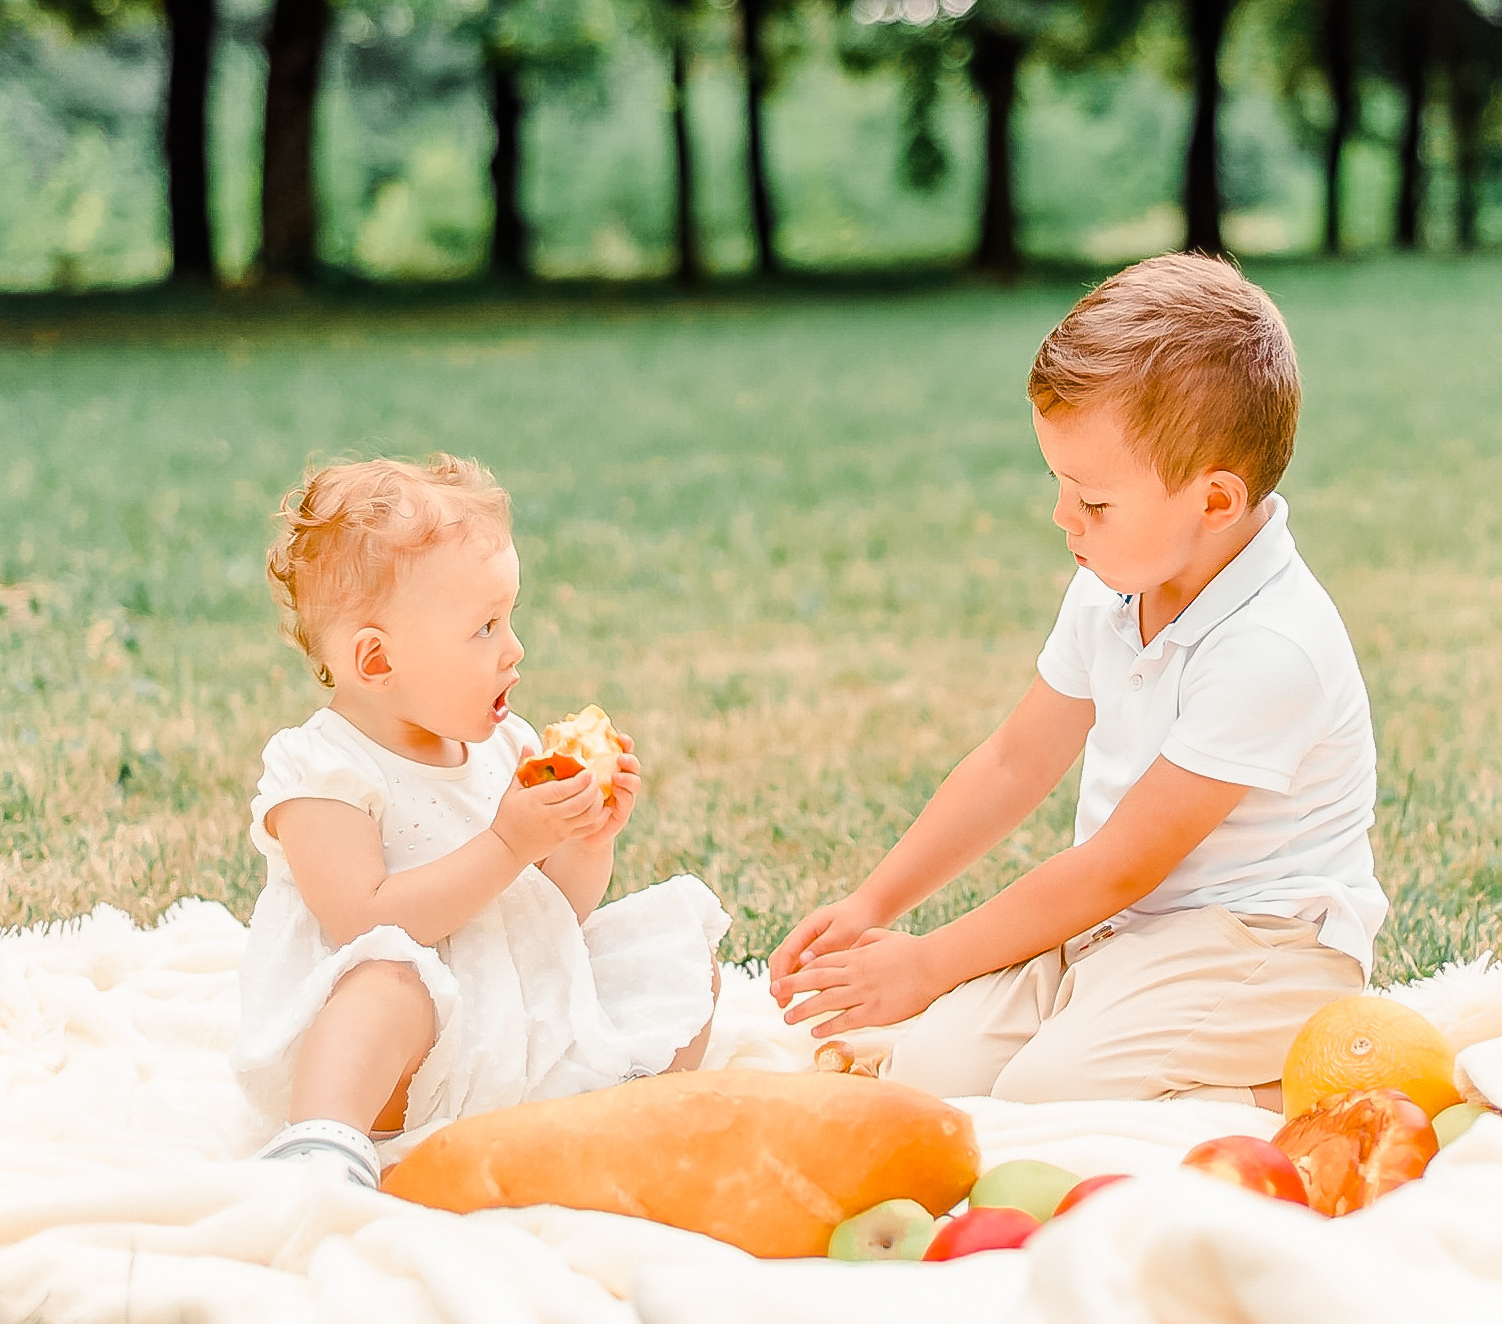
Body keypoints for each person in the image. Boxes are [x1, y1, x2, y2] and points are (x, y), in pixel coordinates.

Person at [768, 254, 1385, 1110]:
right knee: (928, 1076)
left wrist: (931, 961)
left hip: (1265, 946)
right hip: (1118, 933)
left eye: (1092, 503)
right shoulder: (1112, 588)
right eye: (1059, 488)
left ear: (1213, 503)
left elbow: (1119, 867)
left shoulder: (1272, 648)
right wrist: (876, 901)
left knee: (1053, 1093)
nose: (1063, 520)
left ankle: (1287, 1094)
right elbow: (1015, 763)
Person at [233, 455, 728, 1187]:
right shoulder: (323, 770)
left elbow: (557, 914)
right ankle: (323, 1141)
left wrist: (586, 840)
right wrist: (506, 843)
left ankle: (622, 1106)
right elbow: (361, 920)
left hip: (514, 1022)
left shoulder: (507, 745)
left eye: (510, 617)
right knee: (386, 984)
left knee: (678, 948)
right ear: (376, 660)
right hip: (400, 1066)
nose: (514, 649)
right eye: (485, 627)